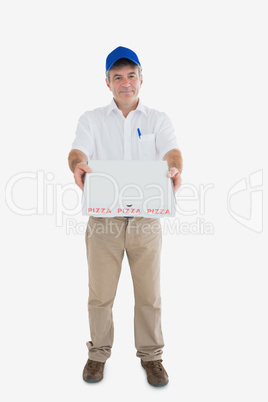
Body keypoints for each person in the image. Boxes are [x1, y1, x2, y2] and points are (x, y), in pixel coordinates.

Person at [68, 46, 183, 387]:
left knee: (149, 294)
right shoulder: (91, 119)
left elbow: (172, 150)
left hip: (147, 222)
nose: (125, 82)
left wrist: (174, 166)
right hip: (104, 223)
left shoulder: (158, 119)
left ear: (141, 79)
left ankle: (152, 358)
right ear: (108, 83)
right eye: (117, 77)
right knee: (100, 294)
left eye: (131, 75)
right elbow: (78, 150)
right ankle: (98, 354)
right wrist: (77, 165)